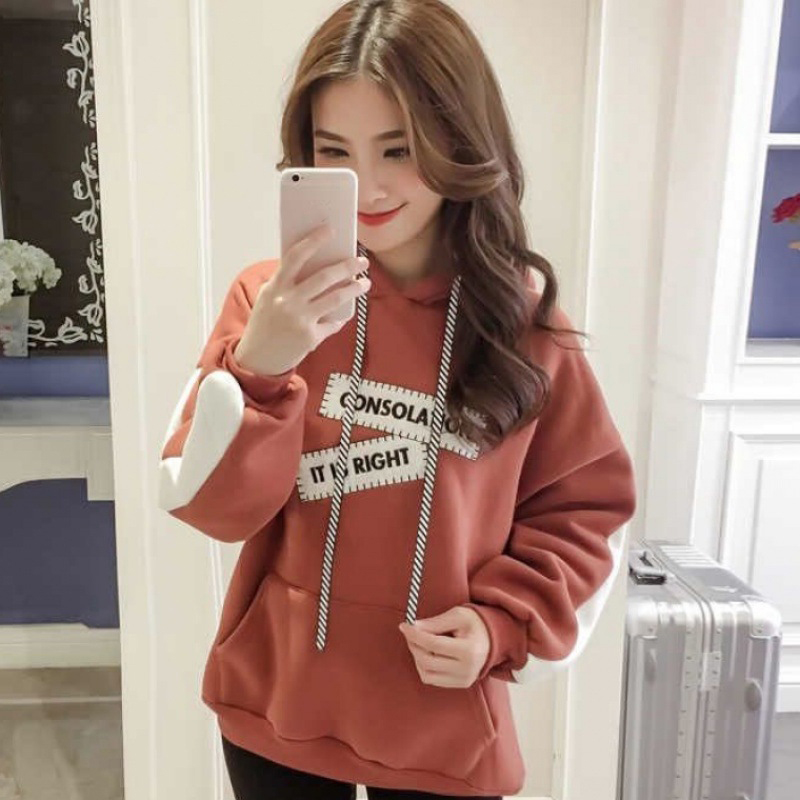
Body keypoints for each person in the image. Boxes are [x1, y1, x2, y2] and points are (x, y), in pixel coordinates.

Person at [157, 0, 637, 797]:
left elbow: (586, 509)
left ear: (459, 142)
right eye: (334, 151)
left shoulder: (522, 331)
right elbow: (211, 508)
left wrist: (501, 623)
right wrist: (261, 367)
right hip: (281, 706)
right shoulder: (270, 306)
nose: (370, 186)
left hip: (439, 717)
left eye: (399, 148)